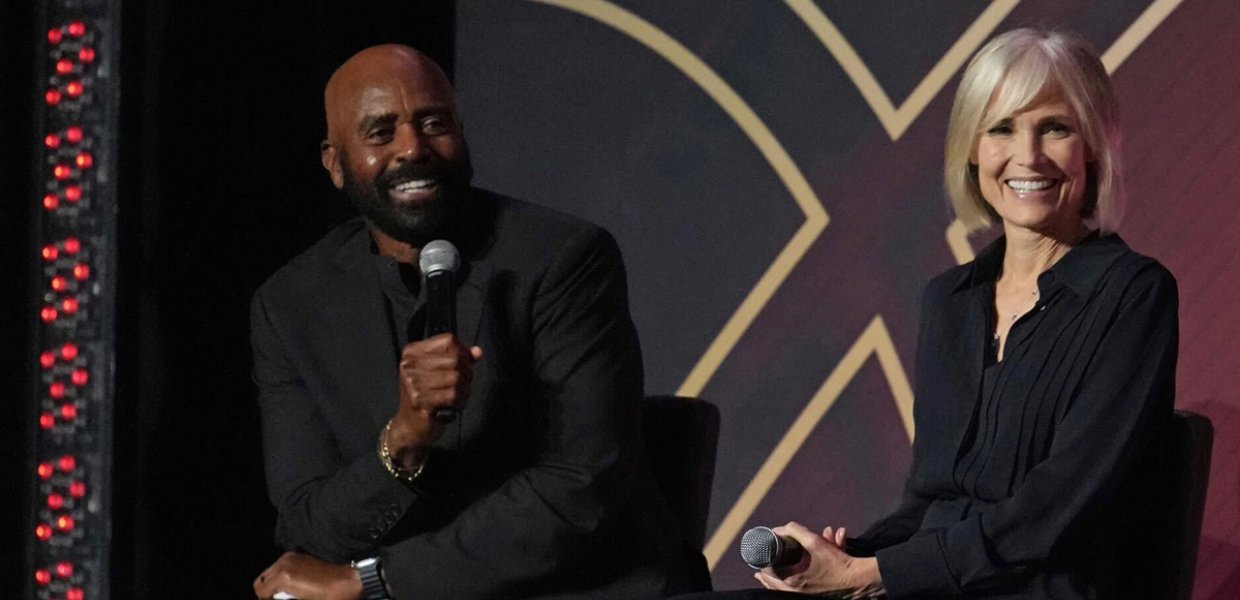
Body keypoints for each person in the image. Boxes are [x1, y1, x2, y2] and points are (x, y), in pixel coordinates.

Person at [685, 28, 1179, 599]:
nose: (1028, 156)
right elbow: (931, 502)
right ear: (972, 150)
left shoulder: (1133, 295)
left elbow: (1058, 508)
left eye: (1055, 128)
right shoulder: (950, 301)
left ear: (1092, 146)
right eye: (1001, 129)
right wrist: (845, 559)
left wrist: (871, 577)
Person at [249, 45, 706, 599]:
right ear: (334, 162)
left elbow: (581, 488)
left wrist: (374, 581)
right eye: (380, 132)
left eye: (434, 123)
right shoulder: (292, 304)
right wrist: (404, 441)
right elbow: (309, 526)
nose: (412, 148)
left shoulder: (563, 258)